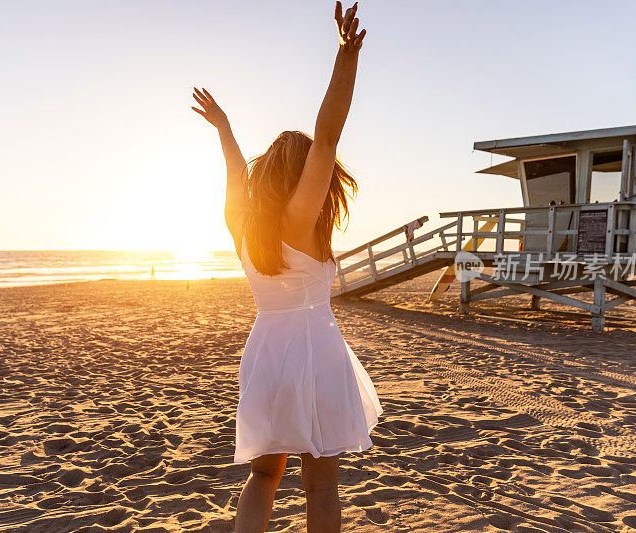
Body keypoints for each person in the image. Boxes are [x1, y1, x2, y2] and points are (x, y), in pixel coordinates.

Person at [192, 3, 382, 531]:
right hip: (316, 352)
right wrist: (346, 59)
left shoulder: (240, 226)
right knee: (320, 484)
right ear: (300, 177)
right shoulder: (302, 221)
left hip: (266, 353)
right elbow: (328, 135)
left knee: (263, 478)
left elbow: (234, 168)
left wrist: (225, 128)